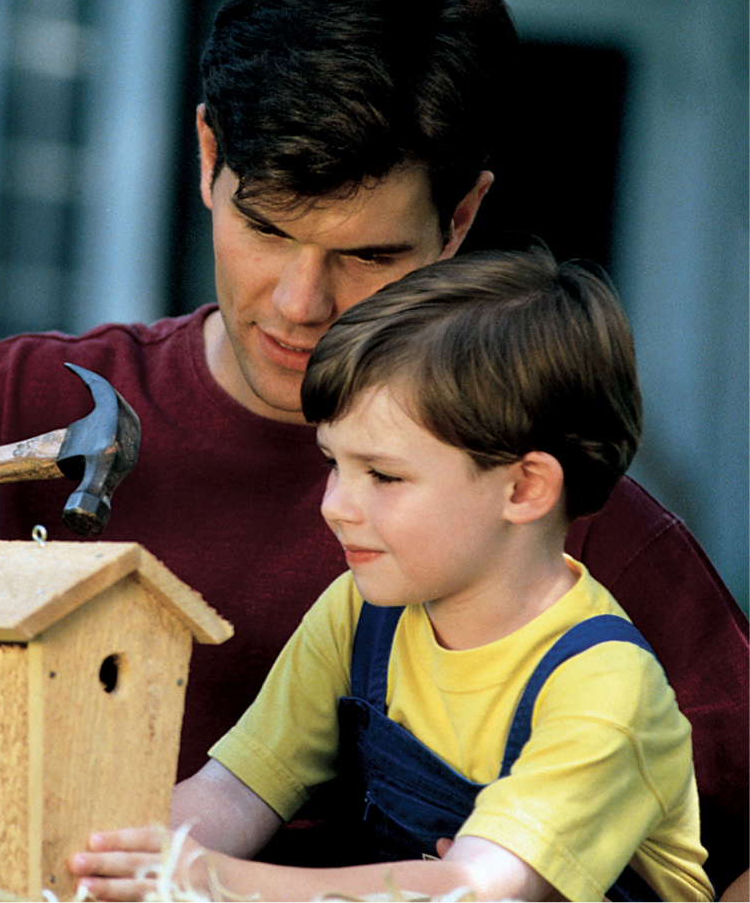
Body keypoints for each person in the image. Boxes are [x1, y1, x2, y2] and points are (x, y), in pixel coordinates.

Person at [0, 0, 747, 894]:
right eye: (266, 226)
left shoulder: (554, 517)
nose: (299, 302)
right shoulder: (25, 411)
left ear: (462, 218)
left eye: (370, 256)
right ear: (205, 159)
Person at [69, 245, 714, 903]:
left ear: (523, 488)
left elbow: (472, 890)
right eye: (332, 463)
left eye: (383, 474)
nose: (334, 505)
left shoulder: (606, 686)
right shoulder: (360, 614)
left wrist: (206, 878)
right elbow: (235, 789)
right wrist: (102, 860)